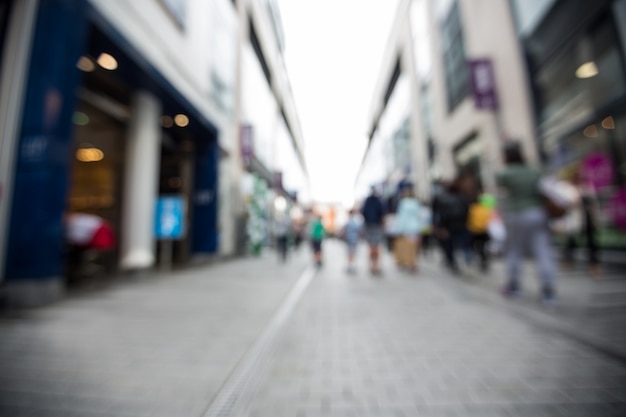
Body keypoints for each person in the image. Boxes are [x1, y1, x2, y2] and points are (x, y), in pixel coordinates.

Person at [496, 141, 557, 304]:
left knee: (514, 250)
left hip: (515, 214)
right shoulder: (534, 170)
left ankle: (514, 286)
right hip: (537, 213)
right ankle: (548, 291)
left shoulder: (504, 174)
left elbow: (501, 196)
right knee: (542, 251)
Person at [431, 176, 471, 274]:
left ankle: (453, 262)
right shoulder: (462, 198)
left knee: (450, 245)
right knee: (462, 243)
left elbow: (440, 214)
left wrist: (440, 227)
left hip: (449, 226)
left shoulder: (442, 199)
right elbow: (467, 211)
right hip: (460, 225)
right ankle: (465, 258)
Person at [393, 186, 423, 273]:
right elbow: (419, 216)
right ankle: (413, 263)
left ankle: (407, 261)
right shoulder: (416, 203)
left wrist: (398, 229)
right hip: (415, 227)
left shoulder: (403, 203)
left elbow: (401, 217)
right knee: (414, 246)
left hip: (406, 228)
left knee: (406, 246)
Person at [467, 193, 496, 272]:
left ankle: (479, 257)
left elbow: (469, 219)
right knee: (483, 246)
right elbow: (488, 220)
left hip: (474, 230)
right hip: (483, 230)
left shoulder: (472, 209)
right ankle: (484, 259)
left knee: (474, 245)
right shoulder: (484, 209)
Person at [361, 186, 386, 275]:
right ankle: (376, 266)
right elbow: (382, 212)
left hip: (369, 225)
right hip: (376, 225)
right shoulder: (378, 200)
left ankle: (372, 266)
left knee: (371, 246)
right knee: (376, 246)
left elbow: (363, 212)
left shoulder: (367, 201)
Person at [342, 209, 362, 273]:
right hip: (354, 239)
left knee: (349, 252)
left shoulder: (348, 222)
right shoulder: (356, 222)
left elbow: (344, 230)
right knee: (353, 252)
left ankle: (350, 265)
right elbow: (359, 230)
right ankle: (352, 265)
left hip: (349, 239)